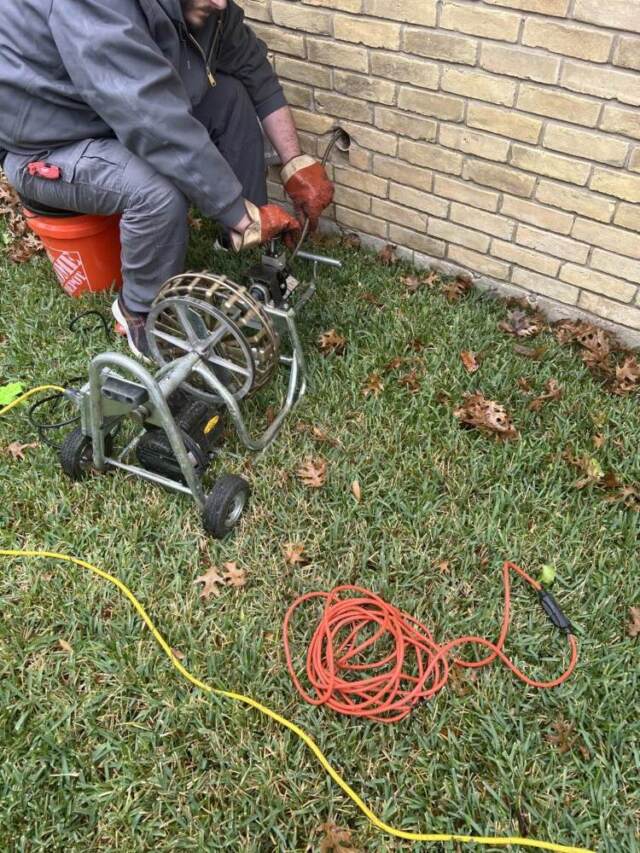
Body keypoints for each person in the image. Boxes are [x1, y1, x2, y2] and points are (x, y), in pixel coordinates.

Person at [0, 0, 334, 358]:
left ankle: (240, 236)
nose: (220, 2)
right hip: (48, 145)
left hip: (108, 119)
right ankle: (138, 312)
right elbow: (149, 117)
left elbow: (253, 70)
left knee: (230, 96)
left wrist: (295, 162)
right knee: (156, 192)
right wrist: (234, 209)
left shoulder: (210, 9)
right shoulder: (95, 7)